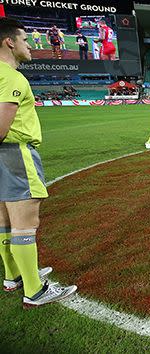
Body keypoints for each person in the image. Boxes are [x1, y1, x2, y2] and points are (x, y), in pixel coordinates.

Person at [0, 17, 77, 307]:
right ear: (10, 42)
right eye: (24, 39)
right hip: (15, 153)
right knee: (24, 224)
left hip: (3, 157)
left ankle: (14, 275)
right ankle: (35, 290)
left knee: (4, 221)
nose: (29, 45)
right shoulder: (11, 77)